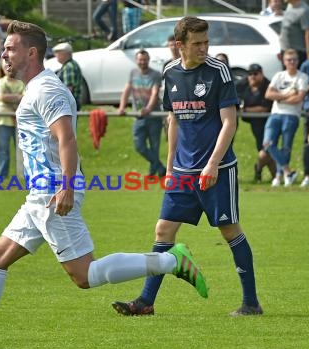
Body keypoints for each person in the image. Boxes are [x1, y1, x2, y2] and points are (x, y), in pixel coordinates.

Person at [0, 20, 208, 349]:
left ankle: (172, 260)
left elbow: (66, 138)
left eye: (10, 47)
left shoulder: (47, 89)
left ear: (31, 52)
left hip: (52, 195)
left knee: (85, 276)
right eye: (5, 48)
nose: (4, 53)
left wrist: (66, 187)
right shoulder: (36, 87)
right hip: (38, 197)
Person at [112, 16, 261, 318]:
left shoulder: (218, 71)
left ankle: (251, 303)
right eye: (197, 43)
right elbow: (174, 121)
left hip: (216, 170)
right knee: (163, 230)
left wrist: (213, 164)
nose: (204, 48)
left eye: (206, 42)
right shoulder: (169, 73)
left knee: (229, 229)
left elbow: (229, 122)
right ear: (180, 45)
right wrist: (169, 169)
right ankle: (145, 301)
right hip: (181, 171)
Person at [263, 49, 308, 187]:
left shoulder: (302, 77)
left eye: (294, 59)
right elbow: (268, 94)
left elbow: (299, 98)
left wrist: (279, 97)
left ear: (298, 61)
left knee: (286, 147)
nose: (292, 62)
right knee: (268, 144)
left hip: (291, 115)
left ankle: (279, 176)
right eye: (289, 60)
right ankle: (288, 172)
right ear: (284, 61)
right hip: (275, 114)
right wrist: (288, 95)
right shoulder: (279, 76)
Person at [117, 49, 165, 177]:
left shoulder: (155, 74)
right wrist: (122, 107)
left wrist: (148, 108)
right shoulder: (133, 73)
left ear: (148, 60)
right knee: (139, 146)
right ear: (136, 60)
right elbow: (127, 90)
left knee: (155, 146)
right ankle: (161, 168)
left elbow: (155, 93)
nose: (142, 62)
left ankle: (154, 172)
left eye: (144, 59)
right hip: (138, 116)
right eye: (140, 59)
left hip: (154, 115)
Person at [240, 63, 276, 182]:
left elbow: (264, 108)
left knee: (266, 150)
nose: (252, 76)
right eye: (250, 74)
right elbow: (231, 90)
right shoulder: (244, 83)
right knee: (265, 150)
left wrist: (245, 110)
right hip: (255, 122)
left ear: (261, 74)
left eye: (255, 74)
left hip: (269, 122)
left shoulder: (267, 85)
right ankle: (276, 178)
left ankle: (259, 168)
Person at [279, 0, 309, 67]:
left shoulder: (304, 10)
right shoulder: (289, 6)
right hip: (285, 51)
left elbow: (308, 32)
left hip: (297, 53)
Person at [53, 42, 82, 111]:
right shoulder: (71, 64)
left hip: (68, 104)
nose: (56, 55)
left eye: (57, 53)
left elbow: (68, 89)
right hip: (71, 102)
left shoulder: (69, 67)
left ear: (64, 54)